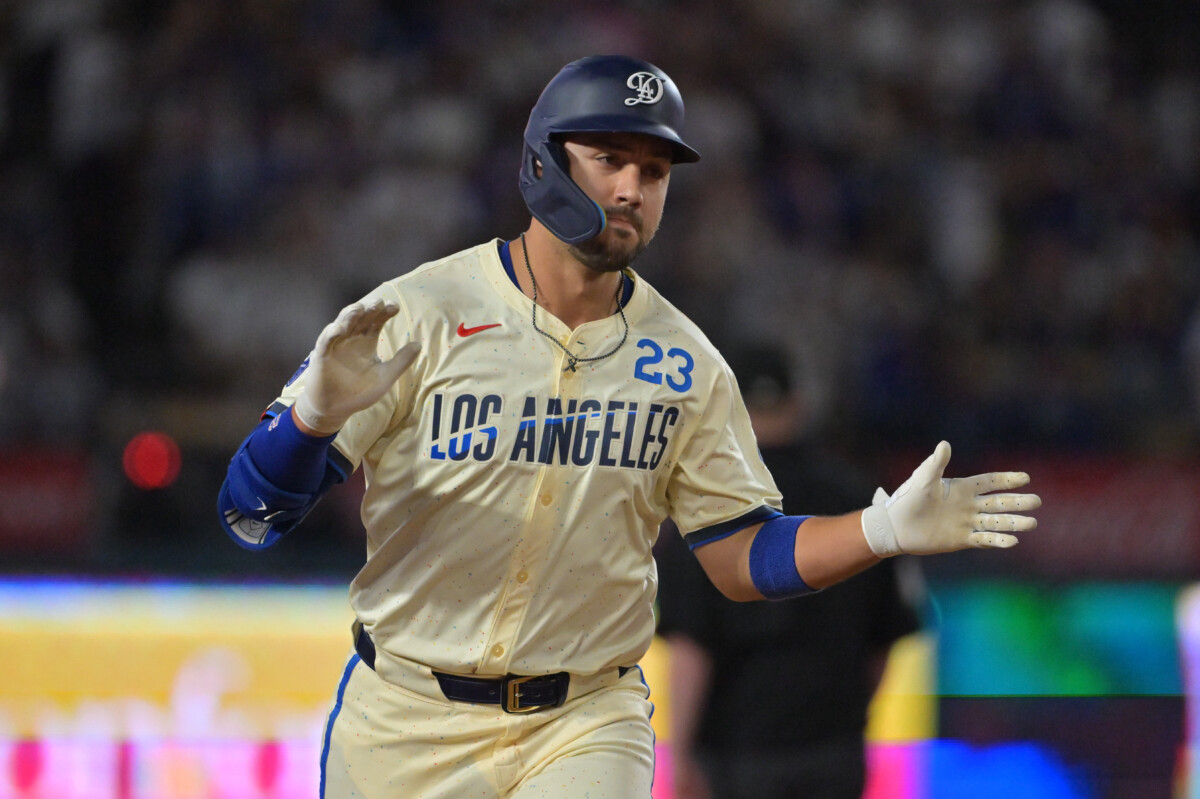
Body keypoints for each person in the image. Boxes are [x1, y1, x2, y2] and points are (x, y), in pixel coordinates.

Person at [216, 55, 1040, 799]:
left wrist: (880, 528)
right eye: (609, 159)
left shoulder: (687, 363)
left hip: (583, 721)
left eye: (654, 171)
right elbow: (252, 515)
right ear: (543, 162)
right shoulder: (420, 314)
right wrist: (311, 422)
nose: (631, 190)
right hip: (403, 716)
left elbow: (741, 552)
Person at [655, 342, 922, 799]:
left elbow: (691, 651)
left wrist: (679, 757)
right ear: (797, 403)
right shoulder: (858, 498)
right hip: (832, 753)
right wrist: (848, 722)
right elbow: (885, 641)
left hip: (738, 756)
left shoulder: (702, 505)